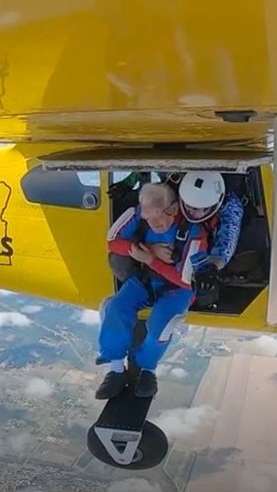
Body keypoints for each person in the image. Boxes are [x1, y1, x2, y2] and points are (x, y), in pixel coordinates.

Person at [96, 182, 211, 399]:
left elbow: (187, 282)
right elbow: (112, 242)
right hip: (146, 280)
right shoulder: (139, 215)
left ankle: (148, 369)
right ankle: (116, 368)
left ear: (174, 209)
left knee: (161, 325)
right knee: (115, 309)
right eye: (148, 218)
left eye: (159, 217)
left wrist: (149, 259)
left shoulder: (194, 233)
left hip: (177, 288)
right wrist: (150, 252)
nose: (154, 224)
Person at [177, 171, 245, 300]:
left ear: (212, 206)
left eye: (196, 209)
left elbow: (227, 241)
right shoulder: (185, 190)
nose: (190, 212)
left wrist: (211, 269)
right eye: (188, 206)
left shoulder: (231, 208)